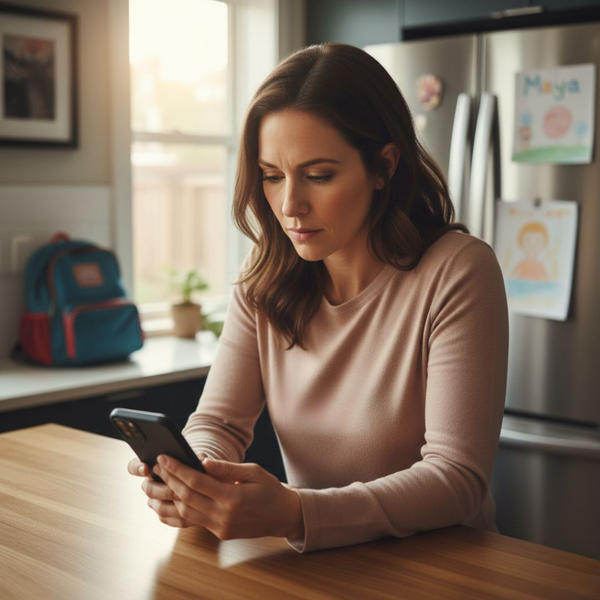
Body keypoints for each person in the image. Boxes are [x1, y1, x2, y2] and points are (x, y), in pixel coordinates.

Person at [127, 43, 509, 554]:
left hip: (441, 572)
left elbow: (457, 479)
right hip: (320, 569)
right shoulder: (263, 279)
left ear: (383, 167)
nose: (290, 206)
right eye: (272, 176)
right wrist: (194, 475)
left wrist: (297, 511)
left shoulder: (458, 270)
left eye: (319, 175)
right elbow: (217, 423)